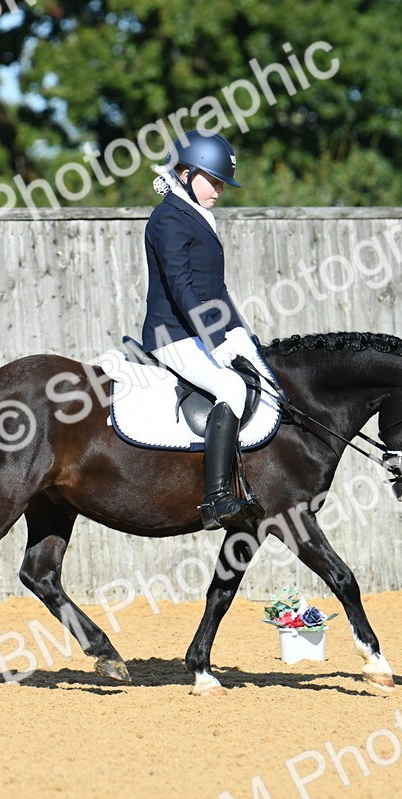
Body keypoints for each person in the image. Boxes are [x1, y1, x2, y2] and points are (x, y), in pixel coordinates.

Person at [141, 130, 265, 531]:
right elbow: (181, 287)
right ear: (185, 172)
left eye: (221, 183)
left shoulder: (194, 215)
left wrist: (241, 334)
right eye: (213, 180)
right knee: (231, 388)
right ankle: (215, 499)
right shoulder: (168, 219)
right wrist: (215, 341)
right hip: (171, 334)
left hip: (197, 331)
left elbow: (215, 290)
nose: (219, 190)